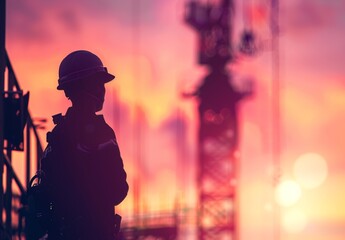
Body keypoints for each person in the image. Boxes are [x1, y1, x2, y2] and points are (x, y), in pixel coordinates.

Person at [40, 50, 129, 240]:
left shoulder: (57, 134)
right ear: (87, 86)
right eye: (99, 84)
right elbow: (118, 191)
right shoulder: (101, 132)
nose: (103, 90)